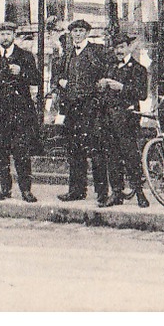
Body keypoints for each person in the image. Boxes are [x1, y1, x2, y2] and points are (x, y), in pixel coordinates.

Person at [0, 21, 38, 203]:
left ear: (15, 36)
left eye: (8, 34)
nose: (5, 37)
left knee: (21, 153)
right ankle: (5, 188)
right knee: (1, 152)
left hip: (19, 113)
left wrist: (21, 72)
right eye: (2, 34)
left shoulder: (25, 56)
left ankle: (26, 190)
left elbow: (36, 79)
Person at [55, 19, 112, 203]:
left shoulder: (97, 51)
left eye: (81, 31)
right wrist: (59, 82)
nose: (77, 34)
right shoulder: (67, 54)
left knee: (96, 150)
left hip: (91, 108)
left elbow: (106, 72)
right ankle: (76, 190)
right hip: (72, 108)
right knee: (74, 150)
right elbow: (57, 75)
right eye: (74, 31)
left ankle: (102, 193)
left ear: (87, 33)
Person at [98, 34, 149, 208]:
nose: (119, 51)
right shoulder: (110, 67)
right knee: (112, 157)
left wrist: (122, 88)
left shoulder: (138, 69)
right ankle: (117, 193)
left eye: (122, 47)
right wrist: (102, 85)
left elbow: (142, 94)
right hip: (109, 118)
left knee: (130, 157)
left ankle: (140, 193)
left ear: (129, 47)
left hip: (127, 119)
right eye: (116, 48)